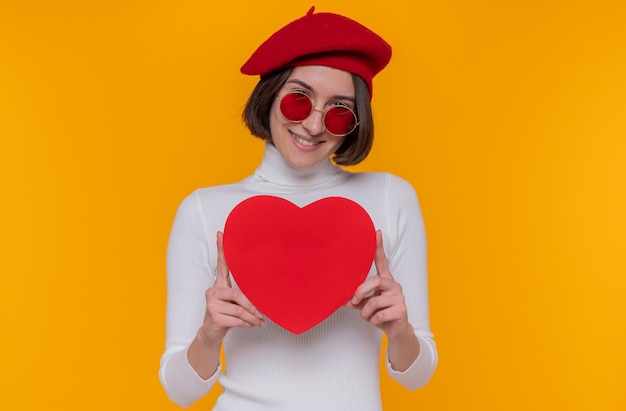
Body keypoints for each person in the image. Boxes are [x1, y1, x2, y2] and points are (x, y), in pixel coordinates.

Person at [159, 7, 437, 410]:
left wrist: (400, 332)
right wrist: (208, 335)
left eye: (339, 111)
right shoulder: (204, 210)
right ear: (270, 95)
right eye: (298, 101)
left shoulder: (391, 198)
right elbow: (180, 392)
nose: (313, 126)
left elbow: (417, 376)